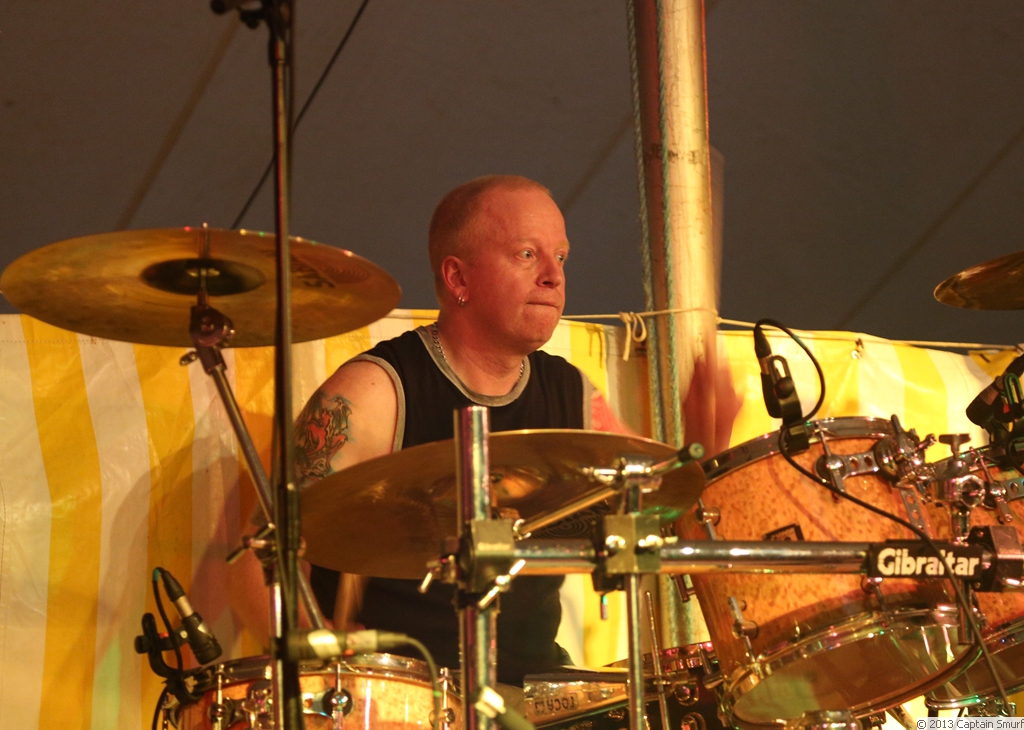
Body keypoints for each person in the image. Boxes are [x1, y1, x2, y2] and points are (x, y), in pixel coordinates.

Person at [294, 175, 630, 687]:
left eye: (560, 257)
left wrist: (703, 433)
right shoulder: (376, 391)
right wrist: (320, 646)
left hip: (538, 696)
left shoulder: (573, 394)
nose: (553, 277)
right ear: (458, 278)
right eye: (526, 254)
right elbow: (263, 553)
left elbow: (654, 495)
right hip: (404, 696)